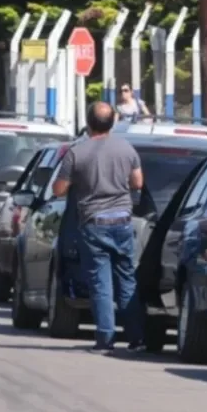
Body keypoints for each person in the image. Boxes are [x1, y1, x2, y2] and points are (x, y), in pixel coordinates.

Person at [52, 102, 146, 353]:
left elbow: (59, 189)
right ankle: (136, 338)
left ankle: (106, 339)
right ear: (113, 122)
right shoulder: (127, 148)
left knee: (100, 282)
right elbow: (138, 183)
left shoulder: (76, 153)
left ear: (88, 122)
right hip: (123, 221)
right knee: (127, 278)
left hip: (93, 223)